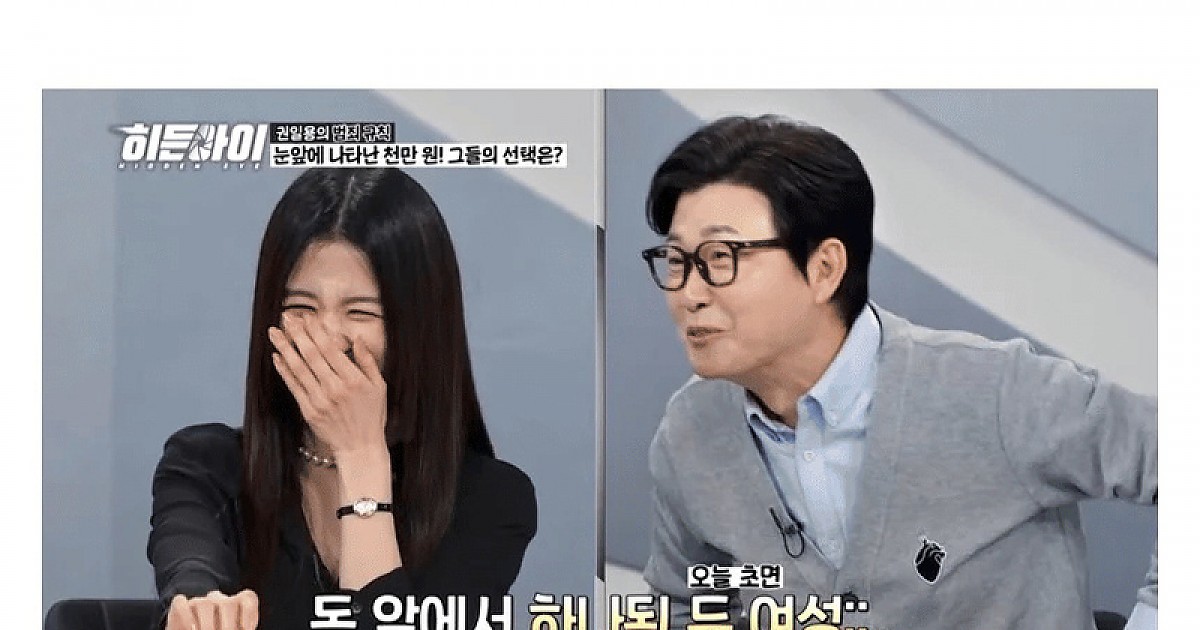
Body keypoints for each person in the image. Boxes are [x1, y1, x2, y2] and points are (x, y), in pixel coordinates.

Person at [638, 115, 1157, 629]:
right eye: (676, 261)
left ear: (824, 269)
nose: (689, 293)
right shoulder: (691, 433)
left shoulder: (995, 390)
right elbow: (681, 606)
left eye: (720, 257)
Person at [148, 168, 538, 630]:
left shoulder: (490, 502)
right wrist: (201, 608)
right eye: (301, 307)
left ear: (419, 328)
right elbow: (192, 572)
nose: (327, 337)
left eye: (360, 312)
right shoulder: (205, 467)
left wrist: (360, 455)